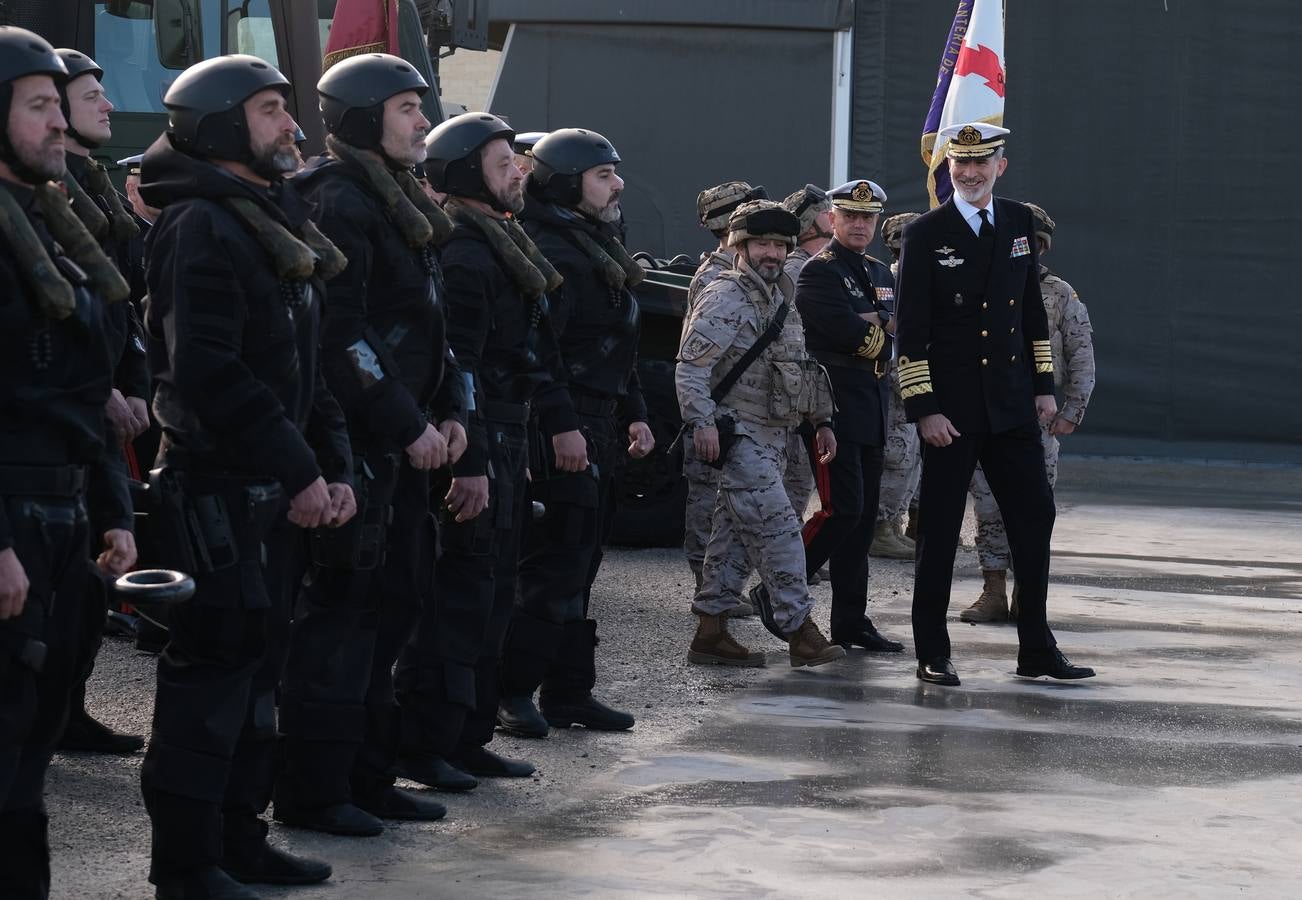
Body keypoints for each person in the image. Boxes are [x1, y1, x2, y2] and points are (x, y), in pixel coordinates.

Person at [137, 54, 355, 898]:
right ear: (223, 124)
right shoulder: (200, 225)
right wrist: (298, 469)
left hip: (271, 488)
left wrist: (327, 467)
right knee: (211, 681)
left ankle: (239, 838)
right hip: (216, 488)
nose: (292, 127)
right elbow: (209, 374)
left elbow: (306, 367)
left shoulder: (268, 214)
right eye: (270, 112)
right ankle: (187, 866)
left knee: (259, 670)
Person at [274, 52, 462, 838]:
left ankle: (369, 777)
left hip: (404, 451)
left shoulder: (398, 201)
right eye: (406, 108)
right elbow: (339, 339)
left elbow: (430, 328)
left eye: (420, 107)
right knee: (340, 624)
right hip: (359, 451)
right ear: (360, 118)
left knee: (391, 609)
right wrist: (405, 423)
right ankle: (316, 795)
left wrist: (451, 410)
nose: (423, 120)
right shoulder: (339, 201)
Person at [394, 112, 582, 790]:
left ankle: (468, 737)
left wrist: (537, 431)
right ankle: (424, 744)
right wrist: (470, 461)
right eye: (505, 163)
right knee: (458, 600)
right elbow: (460, 365)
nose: (519, 174)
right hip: (478, 439)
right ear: (471, 172)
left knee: (494, 594)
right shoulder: (466, 253)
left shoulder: (503, 243)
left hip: (504, 435)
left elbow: (528, 354)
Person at [0, 27, 136, 898]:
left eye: (61, 106)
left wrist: (117, 509)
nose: (59, 124)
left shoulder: (54, 226)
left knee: (30, 751)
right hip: (10, 521)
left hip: (63, 514)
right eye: (39, 105)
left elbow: (87, 393)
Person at [894, 121, 1095, 686]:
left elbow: (1031, 310)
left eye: (981, 164)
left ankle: (1036, 647)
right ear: (948, 167)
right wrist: (924, 407)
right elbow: (909, 333)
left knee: (1035, 522)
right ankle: (932, 651)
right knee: (935, 532)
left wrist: (1041, 386)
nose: (970, 173)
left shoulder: (1017, 221)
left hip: (1010, 407)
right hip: (951, 413)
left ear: (1000, 166)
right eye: (960, 164)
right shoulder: (924, 234)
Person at [497, 128, 652, 738]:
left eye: (614, 172)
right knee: (553, 565)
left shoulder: (596, 241)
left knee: (583, 563)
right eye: (603, 175)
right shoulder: (549, 249)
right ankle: (512, 693)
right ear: (566, 183)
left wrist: (636, 408)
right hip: (561, 423)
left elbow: (619, 344)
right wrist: (562, 426)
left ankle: (569, 692)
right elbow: (543, 352)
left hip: (601, 420)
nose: (618, 185)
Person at [677, 199, 844, 669]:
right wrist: (702, 423)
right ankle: (800, 631)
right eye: (760, 244)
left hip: (775, 436)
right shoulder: (726, 295)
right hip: (739, 435)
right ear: (739, 246)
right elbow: (690, 368)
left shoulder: (778, 297)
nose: (770, 253)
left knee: (730, 538)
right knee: (780, 531)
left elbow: (800, 368)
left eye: (778, 244)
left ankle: (710, 633)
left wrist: (821, 421)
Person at [49, 47, 151, 756]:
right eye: (90, 96)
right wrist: (103, 385)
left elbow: (127, 309)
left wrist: (133, 383)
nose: (108, 107)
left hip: (99, 406)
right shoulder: (44, 201)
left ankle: (66, 710)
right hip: (62, 418)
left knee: (85, 591)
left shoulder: (91, 191)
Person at [780, 179, 904, 653]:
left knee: (863, 518)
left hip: (871, 404)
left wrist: (874, 325)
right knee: (842, 510)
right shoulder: (818, 271)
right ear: (831, 219)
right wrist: (876, 328)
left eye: (867, 217)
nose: (859, 224)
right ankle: (780, 589)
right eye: (850, 216)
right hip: (830, 406)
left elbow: (894, 333)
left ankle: (851, 621)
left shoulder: (880, 271)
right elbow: (845, 334)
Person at [960, 201, 1095, 623]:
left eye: (1034, 244)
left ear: (1043, 247)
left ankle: (1027, 595)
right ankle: (993, 589)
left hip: (1038, 415)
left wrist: (1073, 410)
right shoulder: (981, 284)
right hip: (985, 412)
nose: (1026, 250)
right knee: (986, 504)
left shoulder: (1060, 294)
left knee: (1033, 507)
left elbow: (1081, 355)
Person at [681, 180, 766, 602]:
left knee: (732, 507)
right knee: (709, 503)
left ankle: (723, 589)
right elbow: (696, 361)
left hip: (741, 415)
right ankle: (709, 590)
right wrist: (702, 418)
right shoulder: (717, 277)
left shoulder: (742, 272)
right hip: (715, 410)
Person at [870, 210, 923, 560]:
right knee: (896, 456)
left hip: (915, 381)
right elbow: (894, 335)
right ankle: (879, 528)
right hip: (897, 383)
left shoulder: (916, 277)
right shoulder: (894, 281)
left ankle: (890, 523)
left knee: (910, 457)